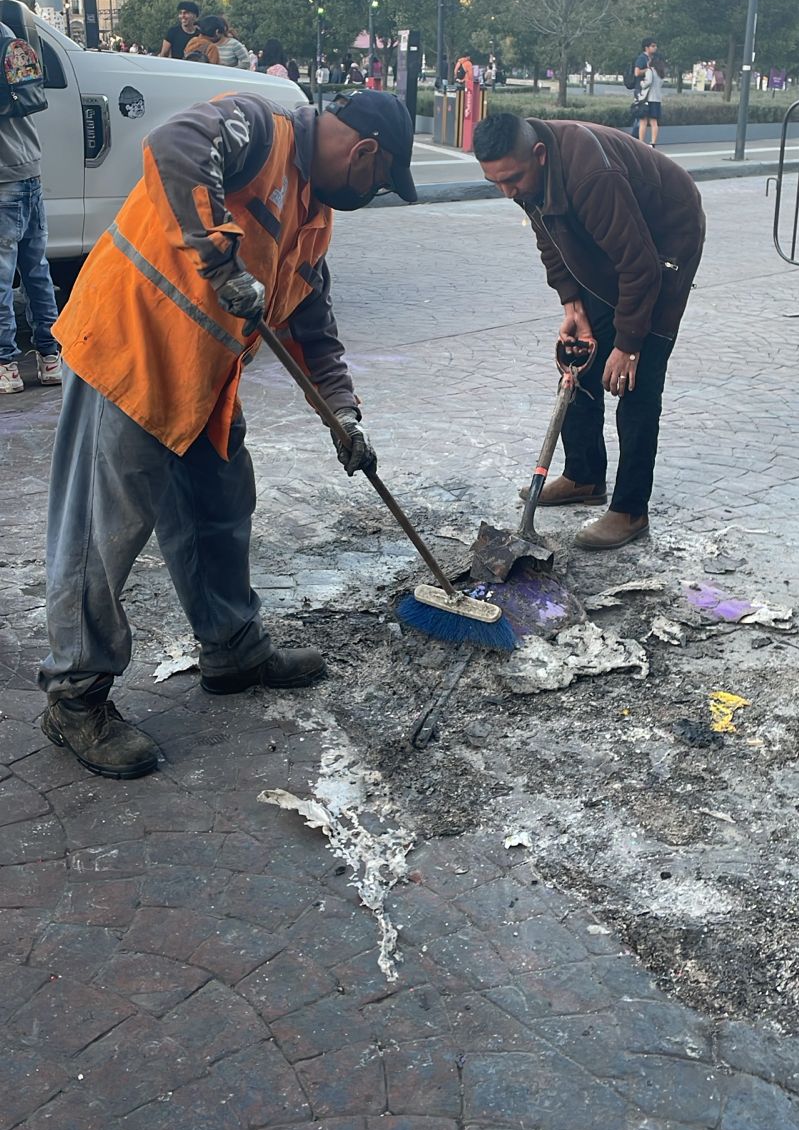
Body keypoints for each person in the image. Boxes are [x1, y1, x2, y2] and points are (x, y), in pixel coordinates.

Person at [39, 91, 420, 780]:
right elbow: (173, 148)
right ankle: (75, 698)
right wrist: (221, 261)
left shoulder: (313, 216)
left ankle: (233, 649)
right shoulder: (258, 128)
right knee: (102, 537)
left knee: (219, 512)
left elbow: (314, 331)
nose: (373, 191)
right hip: (130, 352)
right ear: (364, 152)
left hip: (201, 383)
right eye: (379, 179)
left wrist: (345, 416)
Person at [473, 111, 705, 551]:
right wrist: (573, 304)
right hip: (615, 243)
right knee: (581, 354)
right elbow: (550, 239)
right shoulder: (527, 174)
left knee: (634, 381)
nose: (507, 192)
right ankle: (583, 475)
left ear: (538, 156)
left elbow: (639, 266)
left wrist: (630, 345)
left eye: (512, 180)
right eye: (495, 183)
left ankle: (630, 511)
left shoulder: (590, 175)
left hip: (666, 237)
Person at [0, 22, 63, 395]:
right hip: (29, 168)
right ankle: (50, 357)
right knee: (36, 270)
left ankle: (6, 364)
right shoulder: (7, 33)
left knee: (2, 278)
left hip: (2, 177)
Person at [632, 38, 663, 146]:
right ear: (646, 47)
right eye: (653, 46)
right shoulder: (641, 58)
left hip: (645, 96)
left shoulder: (652, 65)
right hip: (651, 96)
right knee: (652, 121)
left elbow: (647, 82)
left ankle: (639, 142)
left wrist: (649, 70)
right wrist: (649, 69)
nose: (655, 48)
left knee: (643, 121)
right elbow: (637, 72)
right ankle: (652, 143)